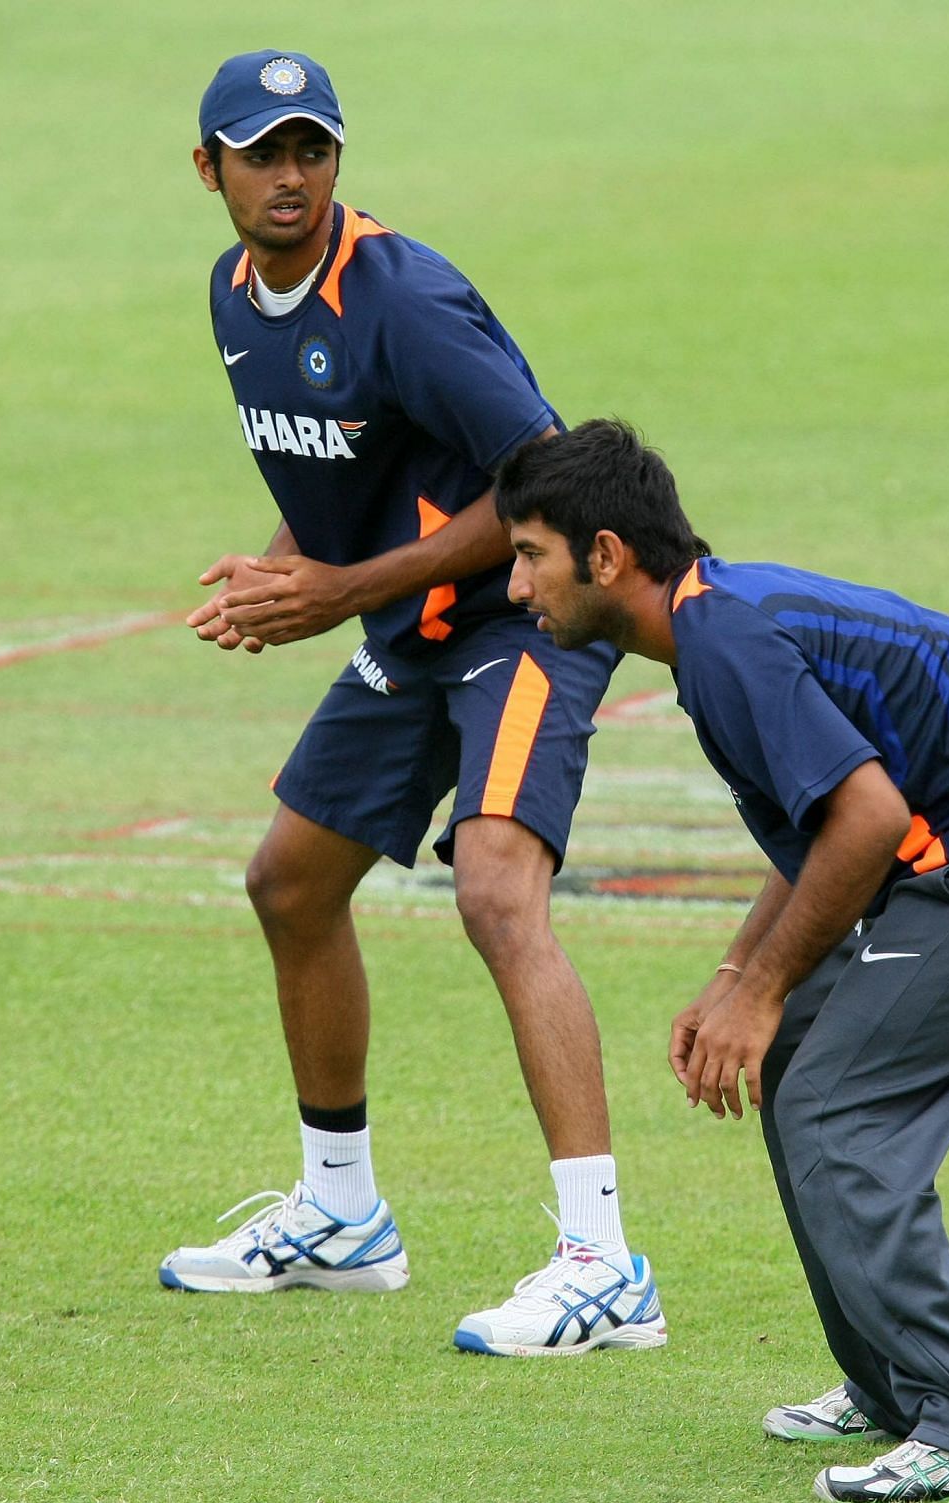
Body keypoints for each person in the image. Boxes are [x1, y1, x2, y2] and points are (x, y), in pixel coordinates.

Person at [495, 419, 949, 1500]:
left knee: (838, 1101)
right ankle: (899, 1385)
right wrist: (737, 981)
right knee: (802, 1055)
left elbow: (869, 818)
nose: (520, 587)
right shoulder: (714, 628)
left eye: (530, 555)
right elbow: (822, 833)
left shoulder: (726, 642)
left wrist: (761, 989)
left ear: (605, 553)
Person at [156, 51, 666, 1359]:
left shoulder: (407, 301)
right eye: (261, 154)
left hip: (525, 621)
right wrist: (287, 565)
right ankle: (342, 1217)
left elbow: (544, 480)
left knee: (497, 892)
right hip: (410, 626)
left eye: (311, 150)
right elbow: (339, 470)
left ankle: (605, 1264)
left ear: (338, 161)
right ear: (206, 170)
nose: (290, 177)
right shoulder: (233, 294)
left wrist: (335, 592)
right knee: (291, 883)